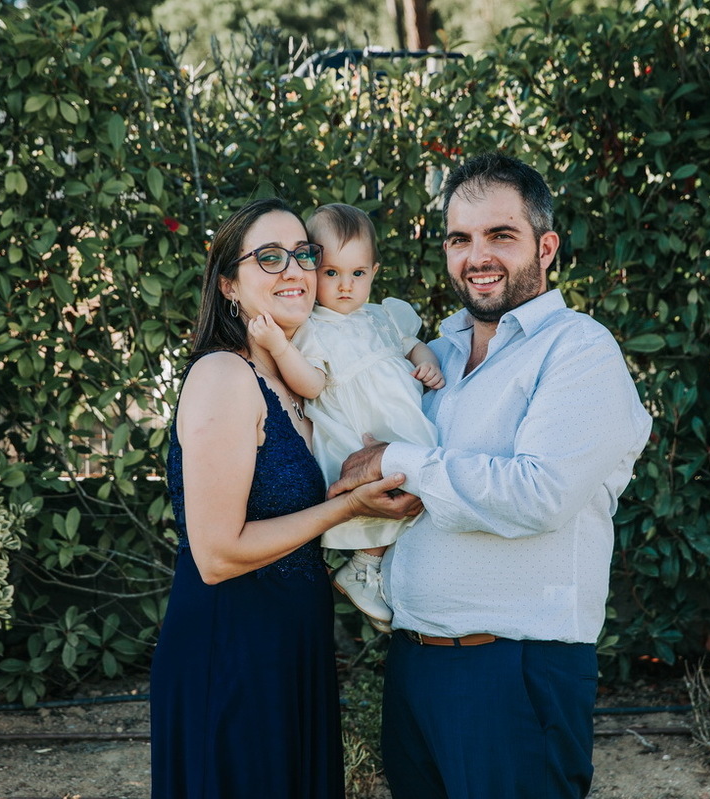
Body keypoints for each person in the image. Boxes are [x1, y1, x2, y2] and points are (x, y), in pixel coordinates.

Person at [328, 153, 653, 799]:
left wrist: (396, 460)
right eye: (460, 239)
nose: (477, 256)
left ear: (546, 247)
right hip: (415, 664)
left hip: (517, 670)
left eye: (500, 235)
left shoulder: (579, 348)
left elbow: (539, 494)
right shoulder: (436, 355)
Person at [149, 197, 422, 799]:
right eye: (269, 257)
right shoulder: (224, 376)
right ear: (229, 285)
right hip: (231, 650)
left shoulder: (302, 385)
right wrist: (349, 507)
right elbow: (216, 555)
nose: (294, 269)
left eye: (304, 254)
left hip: (295, 643)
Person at [249, 203, 443, 633]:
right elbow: (311, 384)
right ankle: (362, 568)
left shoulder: (383, 316)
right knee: (387, 492)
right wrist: (281, 347)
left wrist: (427, 362)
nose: (344, 286)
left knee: (419, 489)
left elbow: (412, 345)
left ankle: (378, 571)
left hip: (402, 426)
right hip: (357, 432)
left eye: (357, 273)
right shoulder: (313, 327)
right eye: (331, 273)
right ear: (312, 270)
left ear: (374, 272)